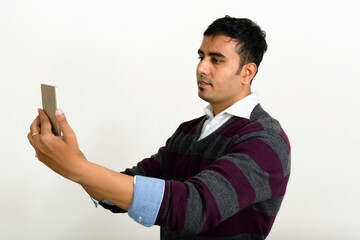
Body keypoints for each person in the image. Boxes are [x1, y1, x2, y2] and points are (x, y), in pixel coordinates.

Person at [28, 16, 291, 240]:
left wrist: (76, 167)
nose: (201, 67)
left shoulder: (265, 140)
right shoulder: (188, 131)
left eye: (216, 60)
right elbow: (127, 186)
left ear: (247, 72)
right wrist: (75, 161)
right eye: (201, 56)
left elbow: (193, 208)